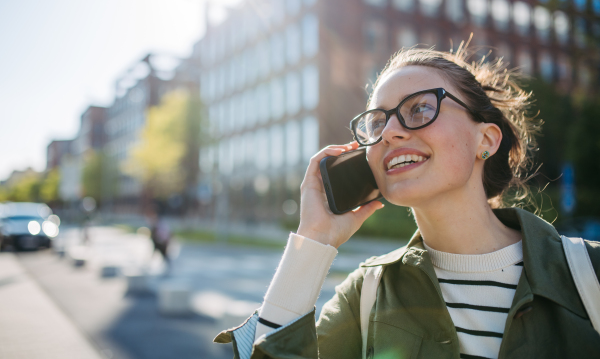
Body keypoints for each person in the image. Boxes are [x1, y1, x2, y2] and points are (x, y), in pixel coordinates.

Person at [215, 44, 600, 358]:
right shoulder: (365, 295)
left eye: (419, 108)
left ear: (486, 140)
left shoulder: (589, 274)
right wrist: (313, 239)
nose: (390, 132)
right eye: (377, 122)